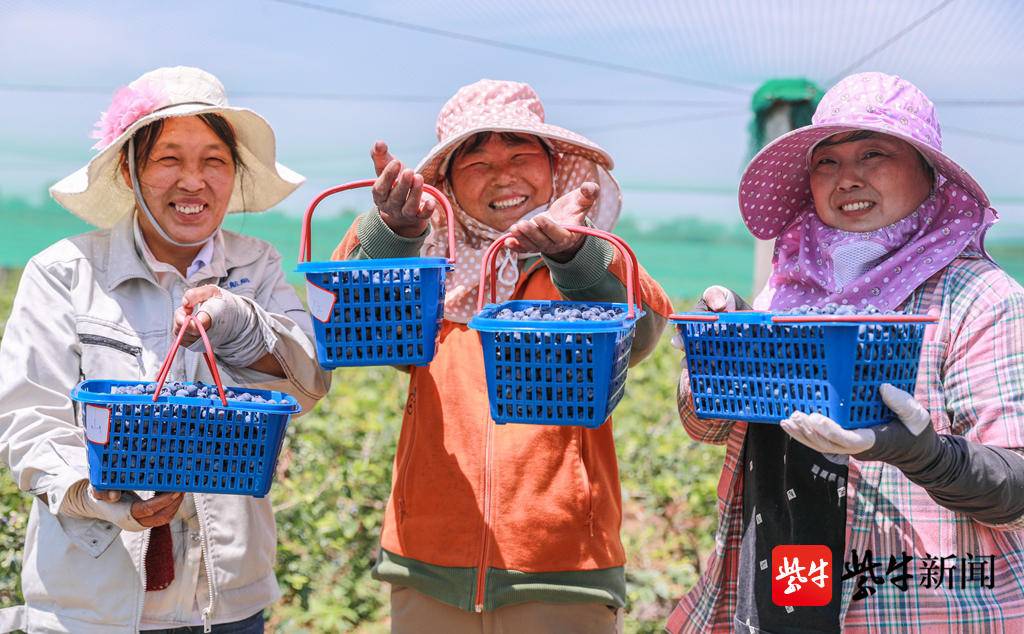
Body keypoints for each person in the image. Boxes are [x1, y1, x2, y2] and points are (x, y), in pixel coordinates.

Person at [668, 72, 1024, 632]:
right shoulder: (787, 291)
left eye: (873, 154)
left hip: (915, 605)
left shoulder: (977, 298)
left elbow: (1016, 490)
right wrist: (721, 354)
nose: (847, 178)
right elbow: (710, 429)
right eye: (827, 162)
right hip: (785, 591)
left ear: (929, 175)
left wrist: (925, 453)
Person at [331, 79, 673, 633]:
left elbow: (641, 333)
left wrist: (572, 256)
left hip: (562, 568)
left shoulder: (588, 259)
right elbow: (346, 319)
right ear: (446, 183)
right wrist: (394, 233)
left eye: (520, 155)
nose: (503, 175)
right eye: (477, 163)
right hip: (428, 564)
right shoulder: (427, 273)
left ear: (554, 167)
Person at [0, 66, 330, 633]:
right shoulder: (65, 273)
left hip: (225, 601)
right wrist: (103, 493)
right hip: (92, 603)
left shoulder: (256, 267)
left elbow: (307, 383)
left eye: (213, 161)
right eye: (169, 159)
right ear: (130, 171)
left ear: (232, 174)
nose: (193, 181)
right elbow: (27, 418)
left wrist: (240, 325)